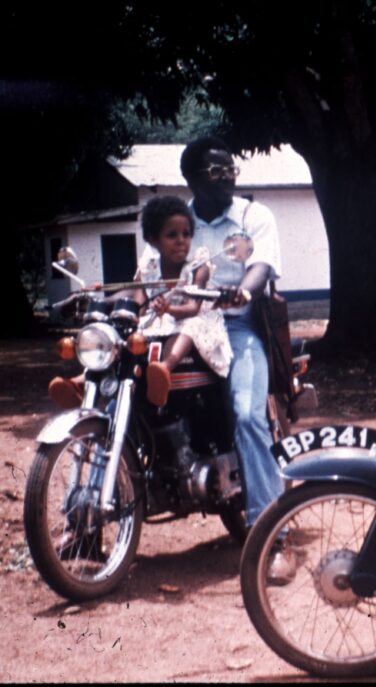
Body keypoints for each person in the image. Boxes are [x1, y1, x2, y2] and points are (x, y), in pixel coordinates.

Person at [159, 136, 292, 583]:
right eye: (217, 172)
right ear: (192, 179)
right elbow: (151, 267)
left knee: (247, 416)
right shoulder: (179, 223)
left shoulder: (255, 216)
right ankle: (85, 518)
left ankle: (275, 535)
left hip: (237, 325)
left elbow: (262, 267)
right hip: (179, 322)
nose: (229, 177)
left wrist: (245, 291)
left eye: (232, 168)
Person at [47, 196, 233, 408]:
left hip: (197, 324)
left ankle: (163, 369)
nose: (181, 240)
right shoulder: (148, 268)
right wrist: (100, 299)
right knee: (122, 334)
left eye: (186, 234)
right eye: (172, 235)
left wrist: (169, 308)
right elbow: (139, 304)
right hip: (160, 322)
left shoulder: (199, 266)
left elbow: (193, 308)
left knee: (188, 326)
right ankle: (82, 382)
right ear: (153, 240)